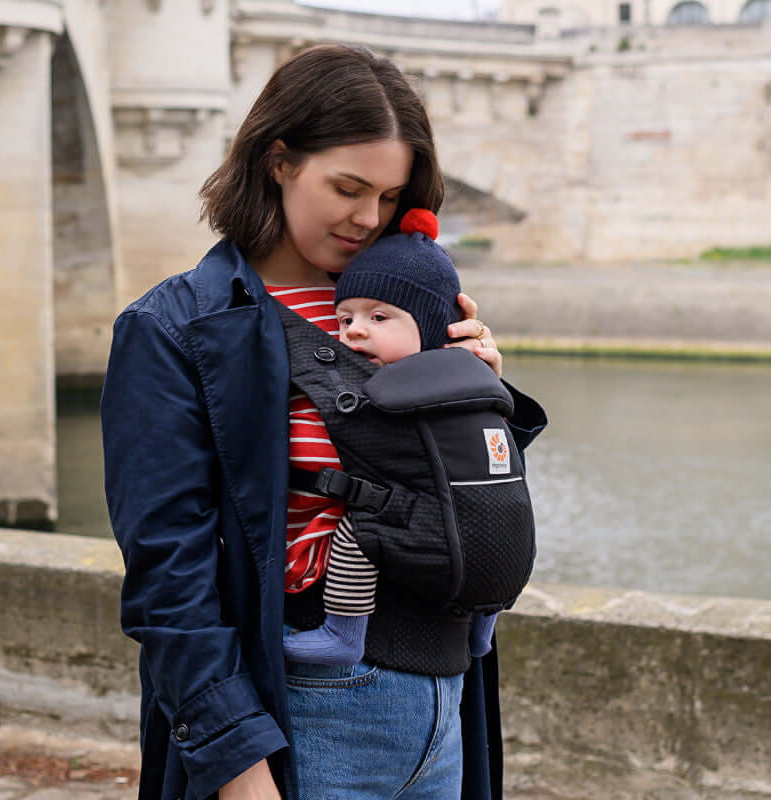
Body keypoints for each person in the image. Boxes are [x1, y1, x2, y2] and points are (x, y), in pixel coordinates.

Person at [101, 44, 547, 800]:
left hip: (445, 701)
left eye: (390, 196)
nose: (368, 219)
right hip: (300, 712)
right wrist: (238, 765)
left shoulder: (406, 305)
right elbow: (169, 575)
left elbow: (466, 503)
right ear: (278, 161)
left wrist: (481, 400)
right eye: (348, 188)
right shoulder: (171, 328)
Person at [281, 208, 504, 667]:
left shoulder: (412, 382)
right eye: (343, 320)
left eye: (379, 317)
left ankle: (346, 632)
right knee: (494, 528)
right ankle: (479, 629)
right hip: (457, 521)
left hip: (432, 524)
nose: (355, 330)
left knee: (362, 533)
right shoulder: (464, 378)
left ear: (433, 328)